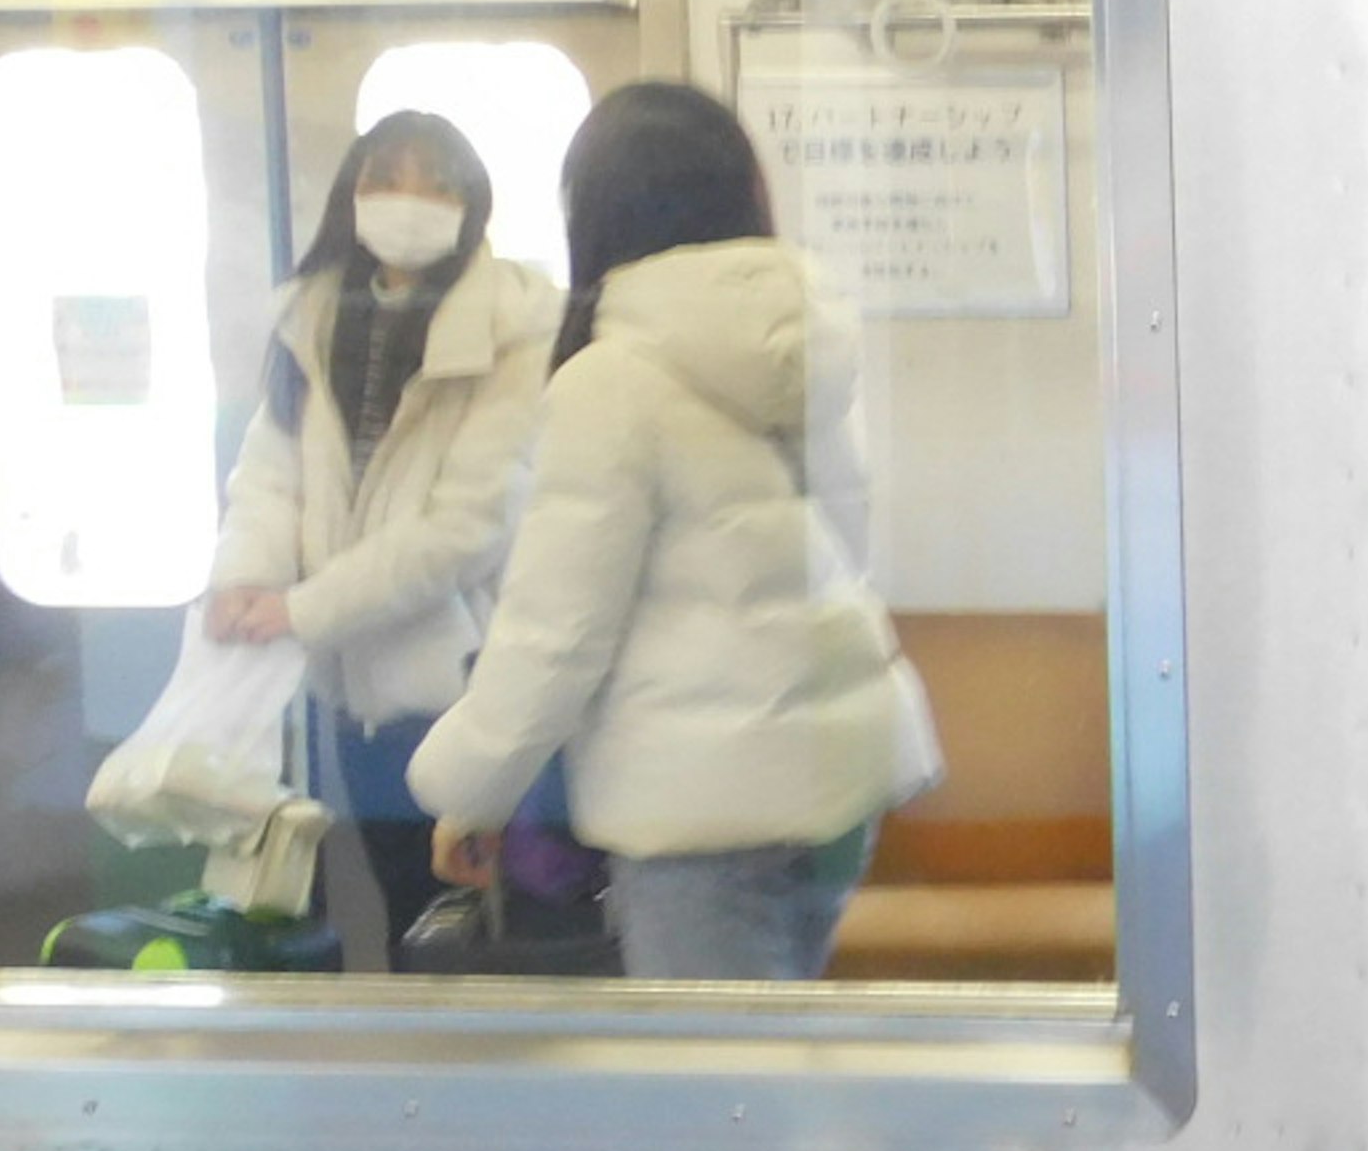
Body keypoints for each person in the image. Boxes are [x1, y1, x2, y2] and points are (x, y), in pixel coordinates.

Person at [407, 83, 937, 982]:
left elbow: (556, 634)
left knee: (723, 1099)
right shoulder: (799, 345)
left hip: (705, 810)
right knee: (773, 1068)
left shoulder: (611, 382)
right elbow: (852, 548)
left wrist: (469, 793)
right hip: (842, 786)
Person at [203, 111, 559, 964]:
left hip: (464, 687)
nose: (410, 201)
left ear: (474, 204)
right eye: (386, 179)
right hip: (346, 694)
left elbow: (466, 528)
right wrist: (245, 581)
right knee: (402, 918)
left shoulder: (518, 326)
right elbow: (271, 470)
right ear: (351, 196)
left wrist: (302, 608)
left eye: (437, 183)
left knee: (478, 929)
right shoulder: (314, 316)